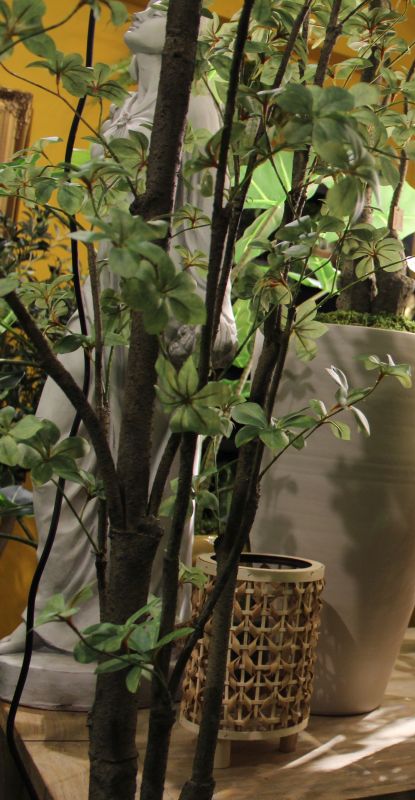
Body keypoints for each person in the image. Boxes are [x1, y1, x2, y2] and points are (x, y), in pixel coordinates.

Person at [0, 4, 234, 691]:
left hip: (149, 317)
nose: (147, 6)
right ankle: (59, 621)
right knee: (58, 454)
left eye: (168, 6)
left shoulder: (193, 108)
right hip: (99, 306)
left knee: (125, 483)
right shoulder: (132, 101)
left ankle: (117, 633)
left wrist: (191, 323)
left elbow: (202, 227)